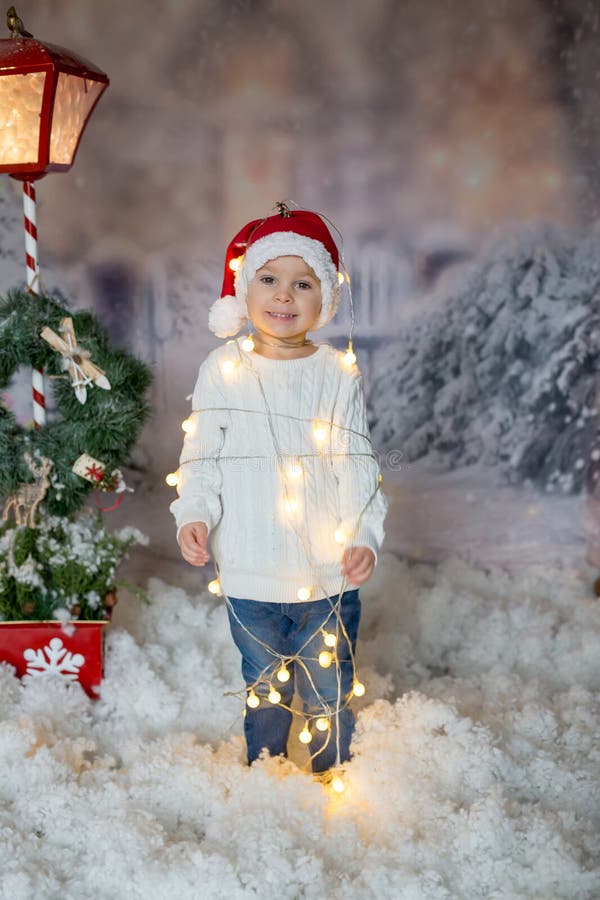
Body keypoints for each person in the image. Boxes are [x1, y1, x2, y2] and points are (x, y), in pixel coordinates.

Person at [170, 203, 388, 776]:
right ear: (245, 290)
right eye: (268, 279)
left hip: (325, 571)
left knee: (328, 681)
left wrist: (363, 534)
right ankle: (265, 769)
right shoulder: (222, 368)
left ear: (327, 298)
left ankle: (331, 770)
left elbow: (358, 463)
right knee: (264, 683)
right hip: (248, 568)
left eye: (303, 283)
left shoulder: (335, 372)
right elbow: (201, 457)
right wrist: (192, 514)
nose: (284, 296)